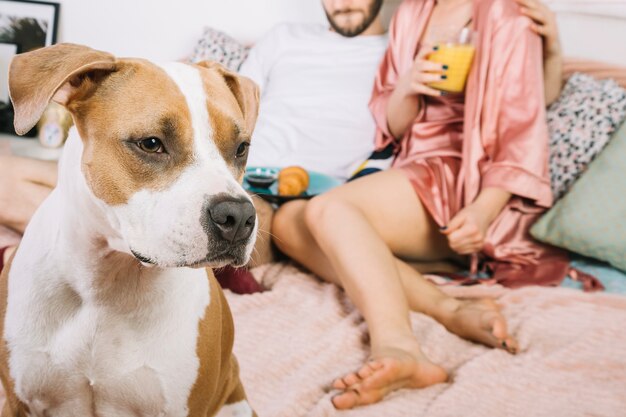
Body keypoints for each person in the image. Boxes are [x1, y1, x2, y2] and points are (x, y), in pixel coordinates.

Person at [271, 0, 572, 410]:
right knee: (289, 221)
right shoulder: (412, 13)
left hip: (474, 183)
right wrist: (409, 85)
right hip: (418, 167)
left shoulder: (504, 12)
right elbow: (393, 127)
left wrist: (483, 209)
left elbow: (524, 129)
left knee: (329, 210)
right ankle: (448, 309)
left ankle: (399, 347)